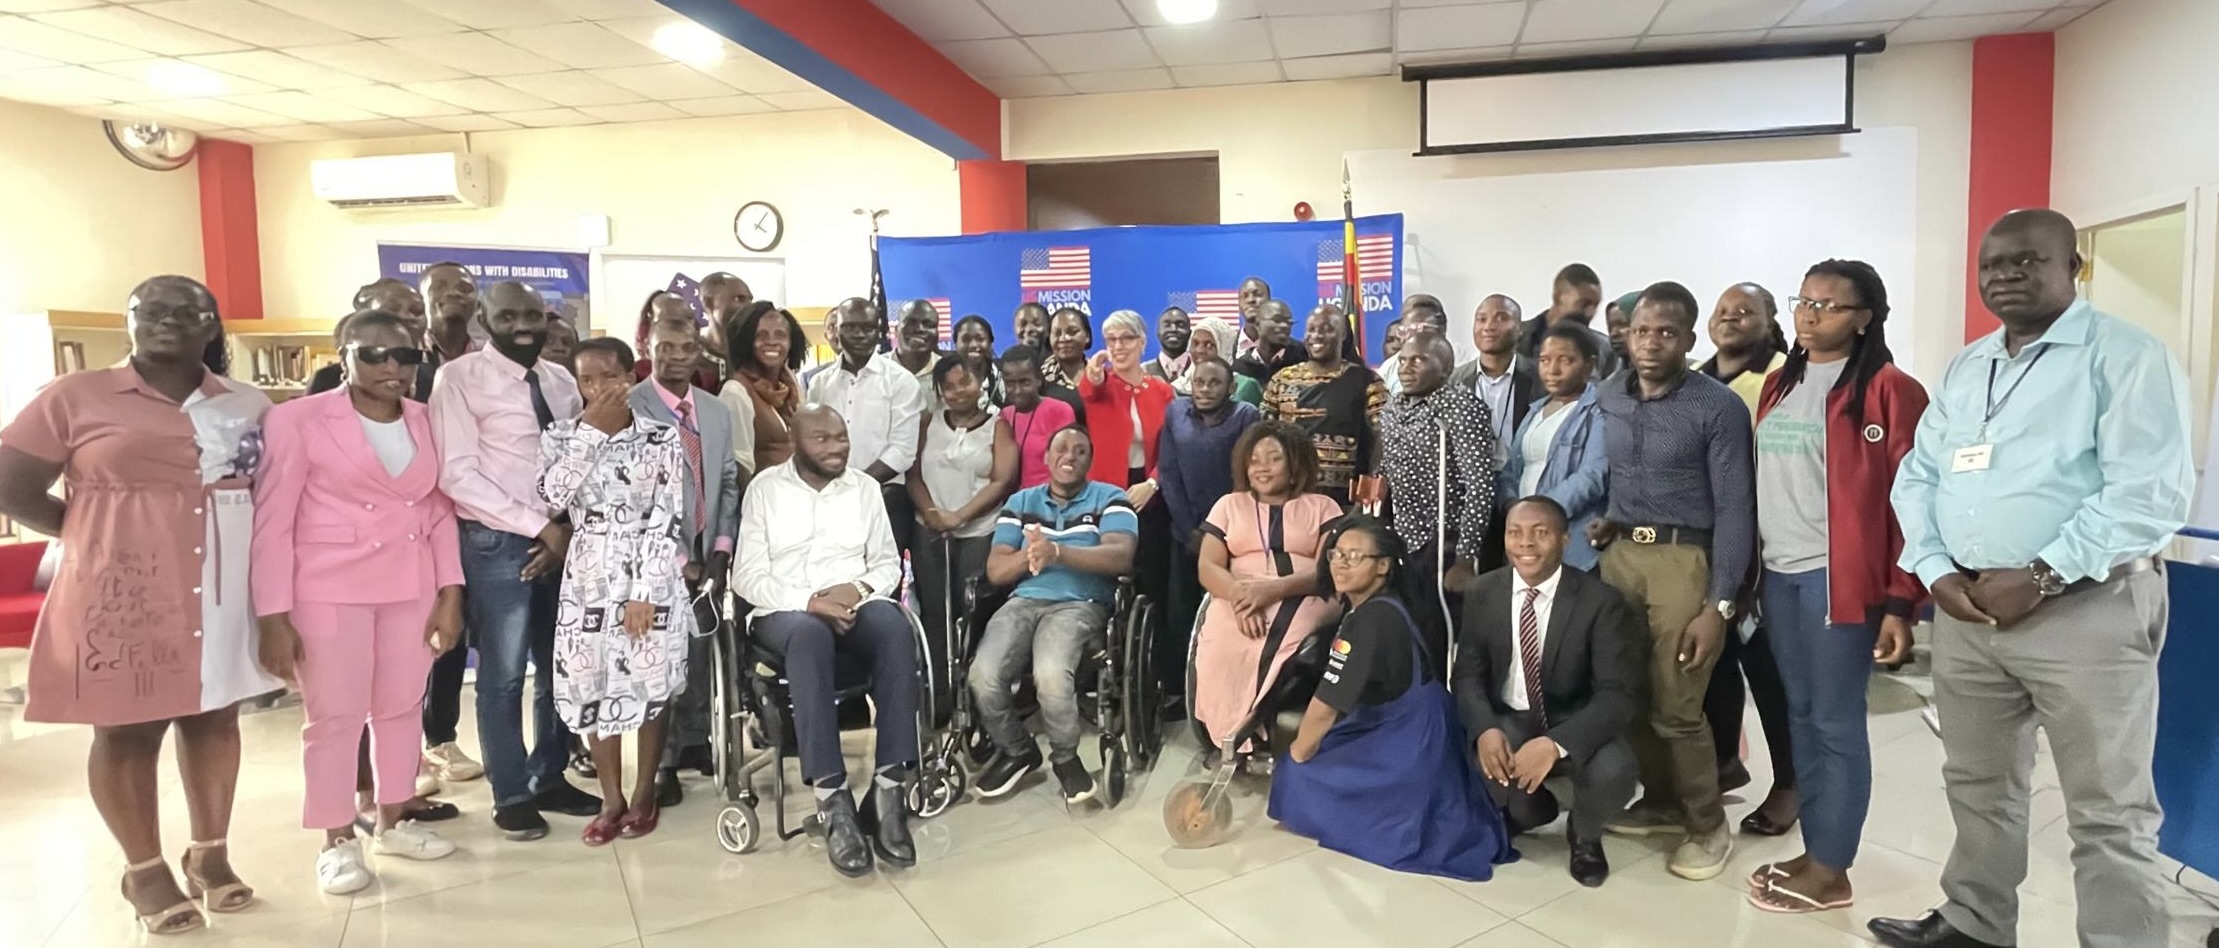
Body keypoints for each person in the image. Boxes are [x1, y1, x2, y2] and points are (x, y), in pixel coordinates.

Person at [1873, 210, 2193, 948]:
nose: (2004, 276)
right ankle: (1974, 924)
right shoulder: (1968, 363)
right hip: (1967, 609)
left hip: (2086, 606)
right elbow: (1917, 475)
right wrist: (1932, 568)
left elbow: (2148, 494)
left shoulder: (2125, 356)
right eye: (1991, 264)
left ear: (2072, 264)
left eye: (2025, 261)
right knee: (1978, 786)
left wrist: (2043, 575)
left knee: (2108, 809)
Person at [0, 276, 277, 934]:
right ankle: (144, 868)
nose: (169, 321)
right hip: (121, 588)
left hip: (222, 584)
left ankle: (210, 853)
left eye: (189, 312)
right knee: (127, 727)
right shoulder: (76, 395)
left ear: (212, 327)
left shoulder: (248, 402)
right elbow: (12, 484)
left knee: (214, 716)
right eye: (151, 310)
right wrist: (89, 528)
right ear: (128, 323)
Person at [251, 310, 465, 892]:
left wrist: (451, 593)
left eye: (405, 356)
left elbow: (439, 511)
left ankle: (392, 818)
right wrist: (272, 615)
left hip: (411, 585)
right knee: (334, 719)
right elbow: (273, 525)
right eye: (374, 354)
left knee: (399, 708)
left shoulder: (427, 419)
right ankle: (337, 837)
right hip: (327, 588)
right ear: (342, 355)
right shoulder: (297, 420)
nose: (392, 367)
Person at [1743, 260, 1928, 913]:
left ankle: (1832, 871)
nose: (1809, 313)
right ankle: (1817, 848)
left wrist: (1902, 599)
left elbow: (1913, 499)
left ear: (1863, 318)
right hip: (1781, 576)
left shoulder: (1888, 389)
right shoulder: (1778, 384)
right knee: (1798, 718)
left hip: (1838, 579)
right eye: (1803, 301)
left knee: (1835, 722)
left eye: (1827, 304)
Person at [1590, 281, 1755, 883]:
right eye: (1642, 331)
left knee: (1678, 704)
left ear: (1689, 339)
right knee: (1625, 690)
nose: (1652, 343)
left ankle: (1708, 825)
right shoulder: (1609, 395)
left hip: (1687, 560)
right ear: (1626, 336)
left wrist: (1720, 605)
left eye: (1666, 332)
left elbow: (1738, 508)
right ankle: (1660, 802)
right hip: (1621, 557)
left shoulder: (1717, 406)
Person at [430, 280, 603, 842]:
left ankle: (547, 775)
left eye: (533, 314)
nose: (524, 325)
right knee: (502, 676)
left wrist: (566, 528)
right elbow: (457, 475)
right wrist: (540, 529)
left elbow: (580, 459)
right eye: (510, 315)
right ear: (484, 317)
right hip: (497, 543)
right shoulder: (456, 380)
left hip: (561, 541)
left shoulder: (559, 381)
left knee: (561, 668)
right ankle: (509, 792)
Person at [1269, 514, 1512, 882]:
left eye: (1355, 556)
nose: (1341, 563)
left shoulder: (1368, 620)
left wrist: (1298, 754)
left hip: (1410, 742)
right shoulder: (1392, 603)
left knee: (1298, 772)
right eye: (1336, 554)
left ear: (1383, 566)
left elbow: (1325, 706)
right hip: (1424, 728)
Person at [734, 405, 918, 878]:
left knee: (897, 627)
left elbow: (885, 565)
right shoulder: (765, 490)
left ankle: (889, 787)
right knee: (810, 635)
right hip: (785, 611)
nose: (836, 448)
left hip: (853, 600)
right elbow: (748, 576)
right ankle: (832, 798)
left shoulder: (865, 489)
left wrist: (853, 592)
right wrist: (809, 601)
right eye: (822, 439)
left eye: (842, 438)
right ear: (795, 439)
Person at [536, 338, 695, 845]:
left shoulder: (663, 437)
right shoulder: (561, 436)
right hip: (587, 576)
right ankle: (611, 798)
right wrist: (590, 436)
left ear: (632, 377)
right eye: (588, 380)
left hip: (648, 572)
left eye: (611, 376)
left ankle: (644, 792)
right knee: (589, 684)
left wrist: (645, 592)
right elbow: (551, 500)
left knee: (650, 684)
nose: (600, 388)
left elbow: (668, 515)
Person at [1455, 496, 1638, 888]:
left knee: (1616, 770)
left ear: (1564, 540)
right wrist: (1485, 728)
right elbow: (1468, 676)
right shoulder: (1483, 592)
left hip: (1574, 716)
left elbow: (1617, 695)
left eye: (1540, 533)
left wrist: (1554, 744)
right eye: (1515, 533)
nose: (1525, 544)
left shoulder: (1601, 602)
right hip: (1511, 717)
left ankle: (1584, 834)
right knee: (1489, 761)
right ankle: (1531, 811)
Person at [970, 427, 1138, 804]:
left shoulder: (1112, 499)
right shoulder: (1021, 502)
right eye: (1061, 448)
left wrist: (1057, 553)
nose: (1070, 456)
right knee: (982, 676)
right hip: (1023, 599)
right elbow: (997, 571)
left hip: (1081, 603)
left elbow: (1120, 556)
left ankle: (1065, 756)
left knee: (1050, 675)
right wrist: (1031, 555)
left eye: (1081, 451)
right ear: (1045, 457)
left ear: (1090, 461)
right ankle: (1017, 750)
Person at [1696, 281, 1799, 837]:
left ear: (1769, 320)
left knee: (1768, 671)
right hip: (1704, 540)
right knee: (1714, 662)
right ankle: (1723, 761)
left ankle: (1789, 783)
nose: (1731, 318)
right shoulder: (1696, 378)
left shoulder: (1787, 379)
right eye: (1723, 310)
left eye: (1746, 310)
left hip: (1766, 544)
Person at [629, 322, 741, 809]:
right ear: (647, 350)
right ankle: (664, 764)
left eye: (685, 347)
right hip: (655, 561)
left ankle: (696, 739)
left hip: (708, 555)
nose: (675, 356)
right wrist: (678, 560)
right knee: (664, 662)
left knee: (701, 652)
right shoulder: (632, 406)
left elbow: (728, 480)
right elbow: (632, 494)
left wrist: (719, 550)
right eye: (664, 348)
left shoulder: (714, 410)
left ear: (701, 351)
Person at [1191, 421, 1341, 767]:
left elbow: (1327, 570)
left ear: (1295, 467)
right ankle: (1229, 733)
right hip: (1235, 595)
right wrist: (1241, 598)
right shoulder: (1228, 505)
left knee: (1283, 636)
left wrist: (1271, 590)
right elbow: (1208, 566)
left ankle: (1255, 727)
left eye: (1273, 458)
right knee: (1220, 643)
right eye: (1255, 459)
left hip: (1306, 594)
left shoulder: (1323, 506)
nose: (1261, 466)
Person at [1374, 331, 1497, 674]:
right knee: (1410, 630)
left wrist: (1466, 557)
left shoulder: (1461, 406)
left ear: (1445, 368)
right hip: (1405, 540)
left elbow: (1480, 486)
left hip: (1447, 539)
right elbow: (1385, 471)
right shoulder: (1393, 409)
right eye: (1402, 360)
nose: (1406, 368)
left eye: (1418, 360)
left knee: (1443, 634)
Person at [908, 357, 1018, 719]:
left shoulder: (998, 426)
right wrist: (933, 515)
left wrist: (960, 516)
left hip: (979, 532)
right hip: (930, 533)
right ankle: (940, 699)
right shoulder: (928, 423)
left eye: (965, 382)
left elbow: (1003, 480)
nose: (958, 391)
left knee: (972, 614)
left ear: (981, 382)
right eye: (949, 386)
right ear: (939, 391)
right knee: (937, 615)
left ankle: (976, 701)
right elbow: (913, 476)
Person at [1155, 356, 1260, 705]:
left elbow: (1246, 478)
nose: (1205, 389)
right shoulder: (1175, 413)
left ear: (1231, 387)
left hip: (1234, 534)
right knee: (1180, 613)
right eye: (1199, 382)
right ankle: (1179, 691)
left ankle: (1228, 692)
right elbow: (1168, 473)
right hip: (1184, 532)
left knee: (1228, 615)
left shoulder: (1246, 415)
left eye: (1214, 383)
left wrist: (1216, 532)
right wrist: (1192, 531)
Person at [806, 297, 926, 576]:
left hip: (885, 498)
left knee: (881, 582)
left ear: (881, 332)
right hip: (827, 499)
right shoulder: (819, 384)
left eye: (868, 328)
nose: (859, 335)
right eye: (850, 327)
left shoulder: (900, 380)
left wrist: (854, 486)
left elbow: (903, 450)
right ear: (836, 330)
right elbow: (812, 441)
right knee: (830, 577)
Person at [1502, 322, 1609, 572]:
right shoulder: (1535, 410)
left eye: (1565, 360)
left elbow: (1593, 475)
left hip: (1572, 542)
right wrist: (1512, 506)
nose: (1553, 370)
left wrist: (1540, 512)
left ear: (1589, 365)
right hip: (1525, 539)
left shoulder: (1598, 410)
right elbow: (1512, 469)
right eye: (1544, 360)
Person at [1450, 294, 1542, 573]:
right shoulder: (1454, 380)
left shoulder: (1539, 376)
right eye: (1481, 319)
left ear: (1520, 328)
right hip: (1467, 494)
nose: (1489, 326)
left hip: (1522, 490)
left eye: (1501, 318)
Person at [1261, 304, 1386, 506]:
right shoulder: (1282, 379)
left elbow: (1382, 434)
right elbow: (1264, 434)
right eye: (1311, 329)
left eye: (1327, 329)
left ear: (1343, 334)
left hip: (1345, 500)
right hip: (1290, 492)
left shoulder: (1368, 381)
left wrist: (1372, 479)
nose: (1317, 336)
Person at [1077, 310, 1175, 490]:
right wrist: (1094, 376)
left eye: (1126, 338)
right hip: (1105, 491)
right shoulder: (1102, 384)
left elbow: (1172, 448)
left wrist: (1153, 483)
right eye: (1111, 340)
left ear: (1142, 342)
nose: (1118, 346)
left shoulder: (1162, 391)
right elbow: (1089, 390)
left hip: (1152, 491)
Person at [719, 300, 807, 477]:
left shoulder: (792, 385)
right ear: (747, 342)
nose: (772, 342)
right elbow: (737, 468)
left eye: (780, 335)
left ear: (791, 343)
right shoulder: (735, 392)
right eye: (762, 335)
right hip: (760, 499)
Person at [308, 279, 434, 399]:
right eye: (392, 309)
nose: (407, 317)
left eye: (417, 311)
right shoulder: (326, 379)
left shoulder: (438, 378)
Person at [997, 345, 1079, 490]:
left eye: (1025, 382)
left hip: (1050, 502)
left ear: (1039, 379)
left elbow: (1068, 466)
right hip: (1012, 504)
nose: (1017, 391)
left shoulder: (1060, 411)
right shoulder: (1004, 415)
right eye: (1010, 383)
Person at [1517, 264, 1618, 378]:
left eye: (1595, 305)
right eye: (1584, 304)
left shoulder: (1604, 350)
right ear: (1558, 298)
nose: (1590, 313)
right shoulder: (1516, 338)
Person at [632, 291, 720, 391]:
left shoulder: (707, 381)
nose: (680, 325)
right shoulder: (631, 380)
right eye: (670, 320)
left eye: (687, 318)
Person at [1180, 316, 1263, 406]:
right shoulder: (1179, 386)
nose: (1200, 350)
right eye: (1195, 343)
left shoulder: (1245, 386)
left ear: (1225, 347)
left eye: (1209, 345)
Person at [1232, 298, 1302, 387]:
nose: (1285, 326)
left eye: (1289, 322)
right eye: (1277, 320)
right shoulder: (1241, 367)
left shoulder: (1303, 357)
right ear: (1257, 325)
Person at [697, 271, 753, 382]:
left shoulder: (755, 354)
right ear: (708, 303)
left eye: (750, 300)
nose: (749, 307)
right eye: (739, 299)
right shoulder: (688, 353)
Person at [422, 261, 481, 364]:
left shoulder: (490, 356)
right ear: (421, 300)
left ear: (477, 304)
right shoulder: (407, 356)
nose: (454, 293)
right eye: (439, 287)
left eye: (465, 289)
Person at [894, 299, 943, 410]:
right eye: (910, 322)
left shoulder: (949, 373)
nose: (919, 329)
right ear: (896, 330)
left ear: (937, 334)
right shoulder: (874, 369)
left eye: (928, 324)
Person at [951, 314, 1004, 407]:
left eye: (980, 339)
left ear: (990, 343)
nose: (973, 345)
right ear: (955, 344)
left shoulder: (1003, 375)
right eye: (966, 339)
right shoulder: (945, 377)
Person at [1043, 306, 1093, 390]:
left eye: (1072, 332)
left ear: (1087, 336)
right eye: (1057, 333)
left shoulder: (1100, 376)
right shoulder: (1039, 379)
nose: (1064, 338)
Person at [1145, 305, 1191, 385]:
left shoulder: (1199, 370)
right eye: (1167, 325)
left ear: (1190, 333)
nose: (1173, 329)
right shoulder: (1142, 372)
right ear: (1158, 332)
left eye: (1180, 325)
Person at [1234, 275, 1271, 357]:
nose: (1250, 300)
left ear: (1269, 302)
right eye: (1245, 296)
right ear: (1239, 305)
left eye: (1257, 294)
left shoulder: (1293, 350)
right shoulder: (1226, 347)